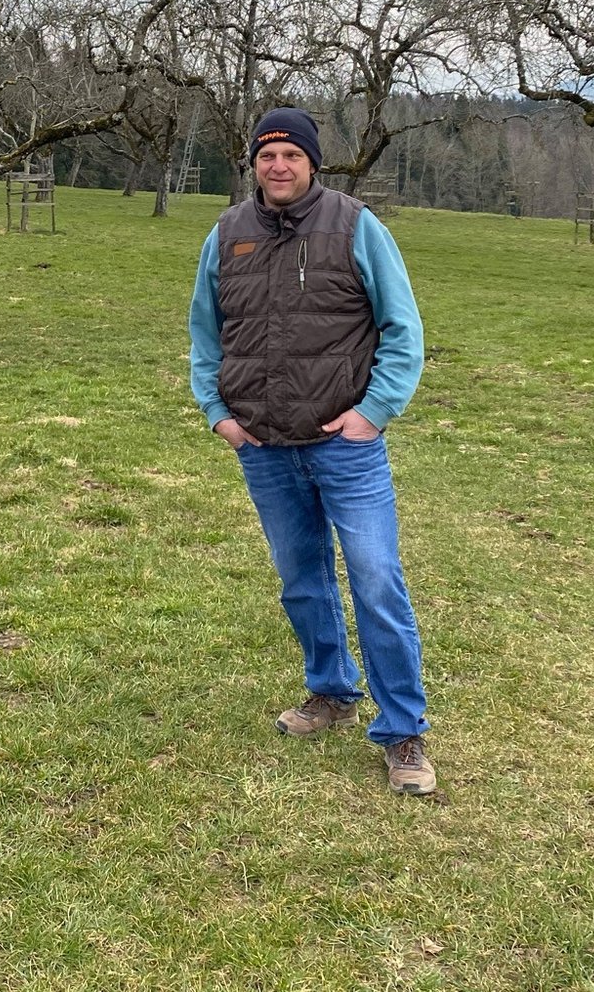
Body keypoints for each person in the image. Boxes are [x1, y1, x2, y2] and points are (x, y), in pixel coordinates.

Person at [187, 107, 436, 795]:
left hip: (344, 447)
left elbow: (402, 328)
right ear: (255, 165)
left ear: (312, 163)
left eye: (291, 156)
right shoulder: (227, 234)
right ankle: (330, 691)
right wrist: (219, 415)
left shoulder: (357, 225)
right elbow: (206, 334)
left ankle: (404, 732)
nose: (278, 167)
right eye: (267, 156)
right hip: (263, 447)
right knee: (302, 581)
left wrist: (374, 412)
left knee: (376, 580)